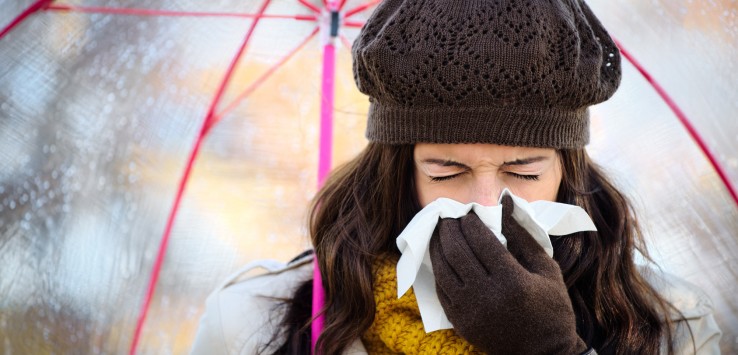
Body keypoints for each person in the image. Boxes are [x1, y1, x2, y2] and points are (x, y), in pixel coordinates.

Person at [191, 0, 722, 354]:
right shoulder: (256, 320)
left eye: (523, 170)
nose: (487, 204)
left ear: (568, 169)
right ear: (398, 173)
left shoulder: (673, 326)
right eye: (447, 170)